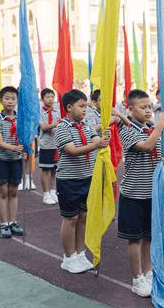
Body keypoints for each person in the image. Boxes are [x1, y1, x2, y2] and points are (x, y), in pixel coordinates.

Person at [118, 89, 164, 298]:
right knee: (135, 239)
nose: (149, 111)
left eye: (150, 107)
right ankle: (137, 278)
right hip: (134, 193)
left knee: (149, 236)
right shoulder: (128, 130)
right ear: (130, 109)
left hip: (152, 193)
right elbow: (147, 146)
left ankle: (148, 272)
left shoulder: (150, 128)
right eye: (143, 107)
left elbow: (155, 152)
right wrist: (161, 124)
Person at [55, 89, 109, 273]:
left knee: (84, 217)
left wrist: (103, 138)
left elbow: (95, 138)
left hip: (87, 177)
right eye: (81, 106)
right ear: (69, 107)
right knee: (70, 218)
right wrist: (95, 144)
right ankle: (68, 257)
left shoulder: (84, 124)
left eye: (86, 106)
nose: (85, 109)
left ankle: (80, 252)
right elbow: (71, 150)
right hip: (69, 180)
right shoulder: (61, 127)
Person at [0, 86, 25, 238]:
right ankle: (4, 224)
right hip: (1, 160)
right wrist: (15, 147)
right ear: (0, 101)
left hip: (16, 160)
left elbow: (25, 136)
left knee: (13, 192)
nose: (10, 101)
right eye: (7, 98)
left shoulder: (21, 118)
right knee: (2, 192)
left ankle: (13, 222)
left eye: (13, 98)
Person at [39, 88, 60, 205]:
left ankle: (53, 191)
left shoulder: (57, 112)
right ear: (42, 99)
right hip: (46, 145)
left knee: (54, 170)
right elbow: (43, 127)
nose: (51, 99)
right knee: (46, 170)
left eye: (52, 97)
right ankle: (46, 193)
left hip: (56, 145)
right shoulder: (40, 112)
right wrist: (56, 124)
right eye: (48, 97)